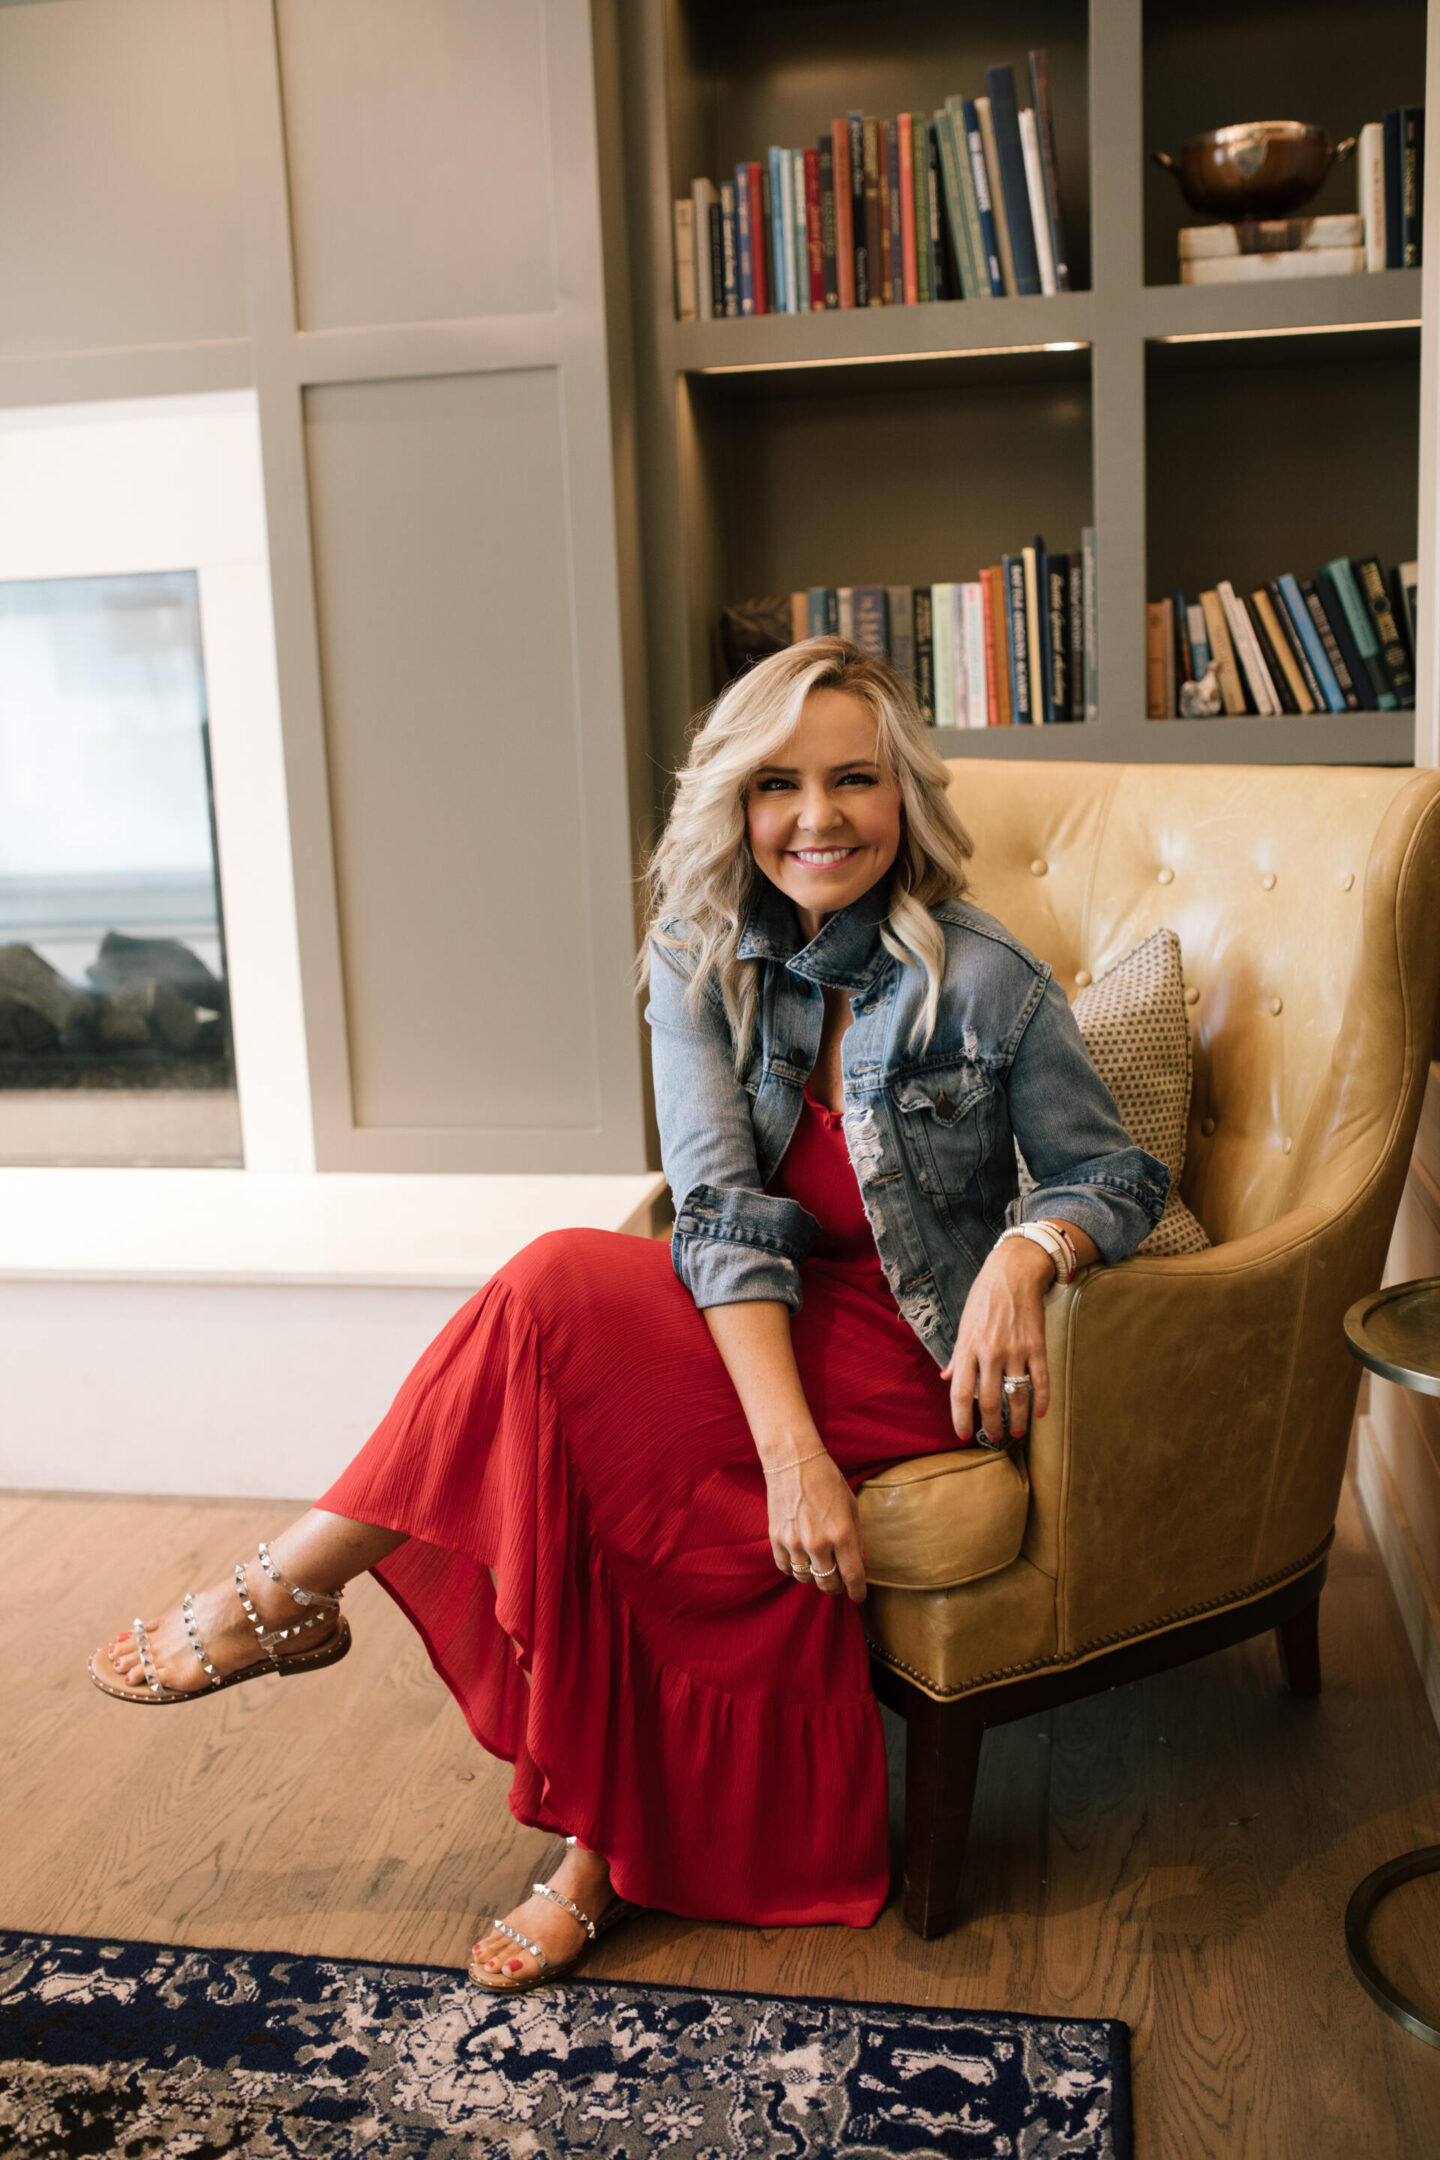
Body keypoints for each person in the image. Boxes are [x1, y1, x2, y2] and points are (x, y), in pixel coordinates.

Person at [89, 638, 1168, 1992]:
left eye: (854, 779)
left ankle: (300, 1606)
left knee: (565, 1322)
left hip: (907, 1341)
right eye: (777, 783)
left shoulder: (988, 978)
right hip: (753, 1304)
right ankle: (583, 1831)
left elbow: (1113, 1174)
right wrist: (789, 1456)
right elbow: (716, 1214)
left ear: (903, 794)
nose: (819, 816)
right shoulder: (695, 959)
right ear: (735, 800)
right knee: (564, 1313)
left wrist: (1025, 1251)